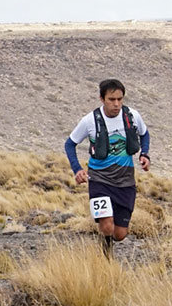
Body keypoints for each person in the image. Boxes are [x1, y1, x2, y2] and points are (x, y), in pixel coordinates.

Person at [64, 78, 151, 256]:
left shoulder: (132, 116)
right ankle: (105, 256)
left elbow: (145, 134)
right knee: (106, 225)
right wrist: (77, 169)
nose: (116, 104)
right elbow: (69, 144)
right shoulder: (89, 121)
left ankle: (110, 241)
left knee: (120, 233)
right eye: (112, 99)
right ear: (102, 99)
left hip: (125, 181)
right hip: (99, 180)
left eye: (120, 99)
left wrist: (145, 154)